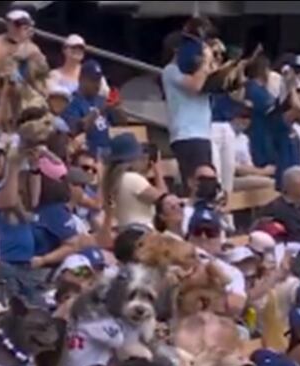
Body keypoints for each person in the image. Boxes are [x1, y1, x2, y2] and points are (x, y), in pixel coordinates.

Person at [161, 30, 214, 187]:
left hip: (203, 134)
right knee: (196, 183)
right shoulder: (171, 70)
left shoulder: (198, 72)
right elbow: (195, 86)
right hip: (187, 135)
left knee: (208, 180)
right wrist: (205, 61)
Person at [185, 206, 247, 316]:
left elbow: (236, 307)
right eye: (197, 231)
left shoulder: (232, 272)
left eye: (210, 232)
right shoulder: (176, 262)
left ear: (219, 238)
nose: (203, 237)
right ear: (188, 236)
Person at [102, 133, 165, 229]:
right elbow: (165, 200)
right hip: (141, 231)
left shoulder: (114, 179)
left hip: (125, 229)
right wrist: (158, 171)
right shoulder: (132, 178)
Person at [63, 60, 124, 158]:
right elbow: (77, 128)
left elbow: (121, 122)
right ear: (81, 79)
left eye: (99, 80)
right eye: (93, 80)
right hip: (86, 155)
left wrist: (118, 107)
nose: (97, 85)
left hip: (107, 151)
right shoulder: (73, 102)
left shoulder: (101, 99)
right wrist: (98, 111)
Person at [0, 8, 43, 73]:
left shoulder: (32, 47)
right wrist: (15, 56)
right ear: (9, 24)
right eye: (17, 24)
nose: (21, 28)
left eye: (26, 26)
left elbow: (42, 69)